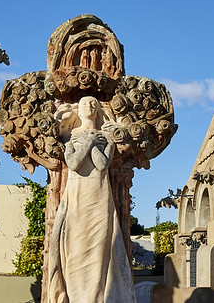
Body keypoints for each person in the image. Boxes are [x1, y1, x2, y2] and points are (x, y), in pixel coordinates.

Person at [48, 96, 135, 303]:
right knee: (76, 248)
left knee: (100, 249)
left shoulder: (106, 137)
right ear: (78, 110)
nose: (90, 106)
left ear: (98, 111)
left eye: (94, 104)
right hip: (77, 195)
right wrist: (90, 141)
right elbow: (74, 163)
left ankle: (98, 297)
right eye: (86, 103)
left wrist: (94, 141)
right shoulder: (70, 136)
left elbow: (102, 164)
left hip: (99, 195)